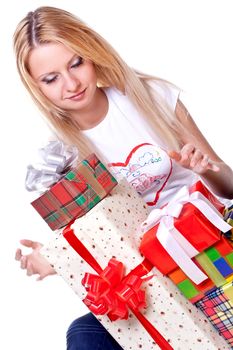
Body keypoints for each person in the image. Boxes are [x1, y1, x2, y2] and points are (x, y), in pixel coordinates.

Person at [13, 6, 233, 350]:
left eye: (76, 64)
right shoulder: (61, 158)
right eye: (51, 78)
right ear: (36, 87)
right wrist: (59, 258)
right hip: (157, 278)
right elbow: (104, 247)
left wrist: (208, 169)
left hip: (212, 251)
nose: (70, 84)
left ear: (92, 54)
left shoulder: (150, 98)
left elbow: (230, 189)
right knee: (84, 335)